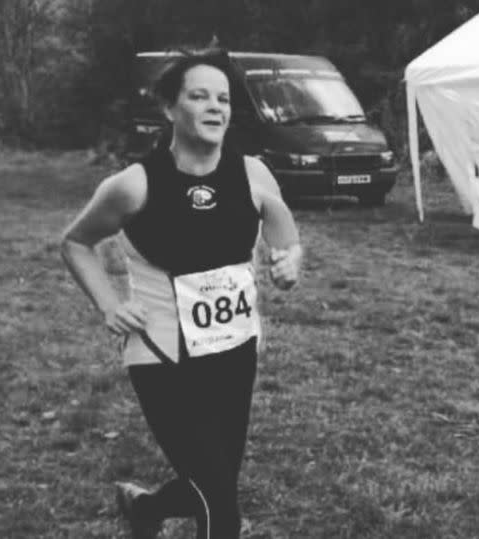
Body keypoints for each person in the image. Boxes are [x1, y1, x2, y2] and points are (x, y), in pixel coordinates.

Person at [60, 48, 302, 539]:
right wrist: (109, 304)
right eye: (199, 96)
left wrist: (289, 258)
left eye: (224, 99)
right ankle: (155, 511)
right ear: (170, 109)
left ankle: (146, 508)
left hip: (234, 349)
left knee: (216, 481)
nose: (216, 108)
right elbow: (76, 243)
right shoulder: (133, 185)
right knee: (218, 498)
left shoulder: (253, 172)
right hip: (161, 354)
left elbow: (280, 222)